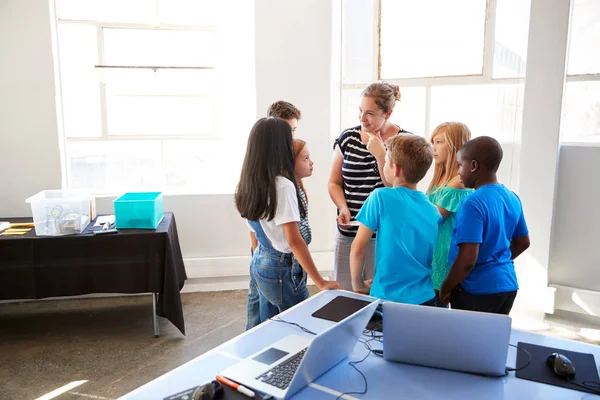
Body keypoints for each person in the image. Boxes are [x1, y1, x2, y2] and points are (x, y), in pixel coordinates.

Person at [235, 118, 339, 330]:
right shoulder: (282, 186)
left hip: (261, 260)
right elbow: (294, 241)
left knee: (267, 328)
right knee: (298, 329)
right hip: (282, 267)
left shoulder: (250, 180)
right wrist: (320, 281)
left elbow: (255, 230)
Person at [328, 82, 409, 290]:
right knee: (345, 296)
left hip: (383, 236)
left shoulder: (404, 142)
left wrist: (381, 155)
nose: (362, 118)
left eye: (370, 113)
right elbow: (334, 182)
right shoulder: (348, 139)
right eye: (361, 111)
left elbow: (397, 190)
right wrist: (343, 207)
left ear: (388, 113)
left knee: (378, 299)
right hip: (348, 233)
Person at [439, 136, 531, 315]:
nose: (458, 171)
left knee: (467, 342)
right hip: (507, 286)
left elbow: (467, 260)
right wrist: (494, 261)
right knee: (491, 341)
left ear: (473, 166)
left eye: (460, 165)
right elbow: (523, 242)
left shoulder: (472, 203)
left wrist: (446, 287)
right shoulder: (512, 197)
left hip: (476, 290)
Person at [350, 134, 440, 306]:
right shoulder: (433, 211)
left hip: (387, 297)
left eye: (386, 161)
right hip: (425, 298)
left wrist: (358, 285)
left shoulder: (380, 197)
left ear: (396, 169)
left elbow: (357, 248)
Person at [427, 122, 473, 307]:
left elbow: (432, 218)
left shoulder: (457, 183)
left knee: (437, 310)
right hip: (434, 250)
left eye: (438, 142)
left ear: (455, 146)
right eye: (433, 143)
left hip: (444, 255)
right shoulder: (439, 180)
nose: (434, 148)